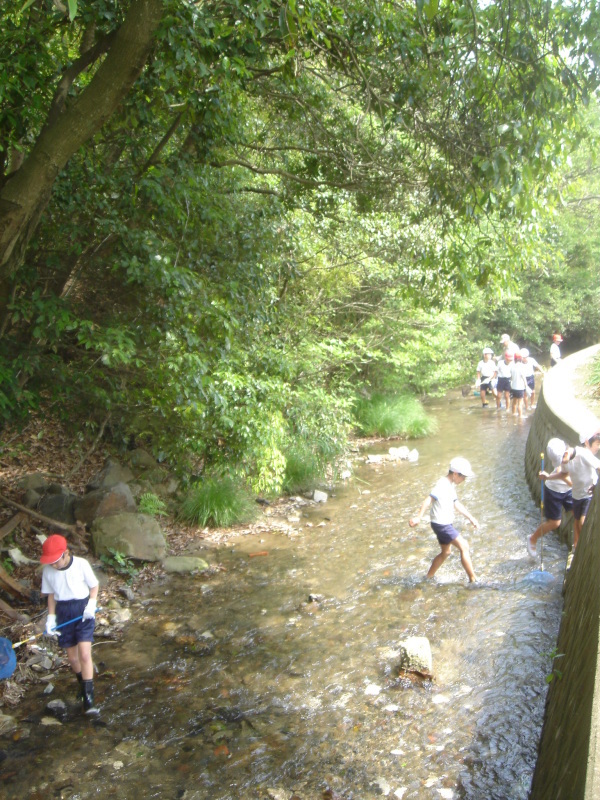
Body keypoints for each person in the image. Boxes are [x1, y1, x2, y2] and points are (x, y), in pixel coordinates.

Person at [40, 534, 100, 714]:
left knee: (84, 654)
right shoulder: (48, 571)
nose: (53, 565)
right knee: (73, 659)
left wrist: (91, 604)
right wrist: (51, 619)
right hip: (63, 613)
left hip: (82, 610)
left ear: (66, 553)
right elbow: (51, 595)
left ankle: (89, 699)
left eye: (56, 561)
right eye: (50, 562)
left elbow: (94, 586)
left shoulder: (81, 564)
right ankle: (82, 684)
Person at [409, 457, 479, 583]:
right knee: (464, 546)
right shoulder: (442, 484)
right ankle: (473, 580)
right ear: (455, 474)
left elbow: (456, 504)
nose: (464, 480)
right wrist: (418, 517)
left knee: (446, 552)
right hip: (442, 525)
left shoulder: (450, 485)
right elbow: (429, 499)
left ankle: (428, 577)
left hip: (442, 524)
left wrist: (471, 518)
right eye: (463, 477)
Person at [541, 429, 600, 550]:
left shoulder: (583, 454)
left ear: (566, 450)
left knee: (582, 522)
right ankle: (576, 549)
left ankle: (587, 548)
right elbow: (563, 474)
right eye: (560, 461)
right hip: (576, 495)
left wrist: (596, 485)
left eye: (563, 458)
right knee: (577, 522)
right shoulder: (564, 461)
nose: (562, 462)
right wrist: (548, 476)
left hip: (588, 493)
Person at [527, 438, 572, 558]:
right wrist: (576, 486)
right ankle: (532, 539)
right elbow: (563, 476)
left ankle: (576, 544)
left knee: (577, 513)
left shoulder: (572, 453)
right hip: (554, 491)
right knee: (555, 523)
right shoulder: (561, 462)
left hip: (568, 490)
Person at [509, 350, 527, 418]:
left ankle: (513, 414)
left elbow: (511, 377)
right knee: (520, 403)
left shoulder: (512, 367)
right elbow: (523, 377)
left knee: (514, 402)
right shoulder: (521, 367)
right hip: (520, 387)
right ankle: (520, 416)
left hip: (513, 387)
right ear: (520, 358)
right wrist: (526, 386)